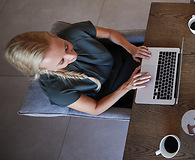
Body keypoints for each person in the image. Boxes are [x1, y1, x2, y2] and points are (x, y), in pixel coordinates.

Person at [4, 21, 152, 115]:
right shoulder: (56, 90)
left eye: (66, 46)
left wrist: (131, 48)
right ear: (43, 69)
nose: (72, 56)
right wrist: (128, 85)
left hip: (130, 60)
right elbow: (95, 109)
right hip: (122, 91)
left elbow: (109, 33)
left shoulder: (73, 32)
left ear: (55, 36)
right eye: (62, 61)